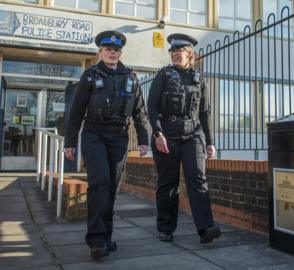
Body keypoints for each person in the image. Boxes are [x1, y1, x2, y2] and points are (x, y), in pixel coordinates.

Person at [64, 30, 149, 259]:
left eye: (116, 49)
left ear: (120, 52)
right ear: (100, 51)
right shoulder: (90, 75)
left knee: (111, 187)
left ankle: (106, 236)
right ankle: (96, 239)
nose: (112, 52)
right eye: (108, 49)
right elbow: (76, 111)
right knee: (99, 182)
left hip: (119, 137)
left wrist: (143, 139)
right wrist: (70, 142)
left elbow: (140, 111)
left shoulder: (131, 76)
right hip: (94, 135)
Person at [147, 33, 221, 244]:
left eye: (179, 51)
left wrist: (210, 142)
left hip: (193, 134)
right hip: (167, 135)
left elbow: (205, 113)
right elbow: (151, 107)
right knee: (168, 183)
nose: (175, 55)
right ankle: (165, 228)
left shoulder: (199, 79)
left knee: (198, 179)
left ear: (190, 54)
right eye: (172, 51)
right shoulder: (163, 75)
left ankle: (206, 228)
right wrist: (157, 133)